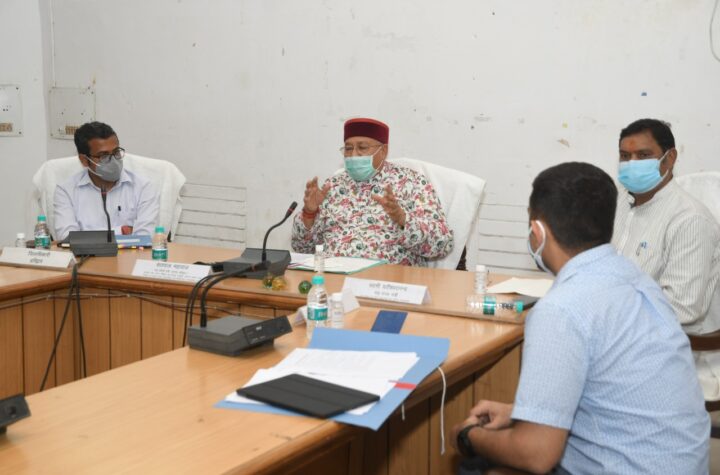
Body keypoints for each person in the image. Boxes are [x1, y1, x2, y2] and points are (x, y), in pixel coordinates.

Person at [451, 162, 708, 474]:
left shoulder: (560, 310)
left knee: (475, 463)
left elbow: (536, 454)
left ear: (537, 232)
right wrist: (519, 412)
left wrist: (466, 436)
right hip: (682, 463)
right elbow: (615, 390)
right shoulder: (637, 280)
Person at [612, 118, 720, 400]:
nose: (632, 164)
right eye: (625, 156)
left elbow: (682, 309)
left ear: (669, 158)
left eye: (643, 155)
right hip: (622, 334)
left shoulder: (690, 220)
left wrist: (610, 313)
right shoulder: (620, 204)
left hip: (671, 348)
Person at [291, 117, 453, 266]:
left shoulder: (412, 183)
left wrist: (403, 219)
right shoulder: (332, 186)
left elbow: (442, 244)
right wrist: (309, 214)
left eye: (362, 147)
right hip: (334, 278)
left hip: (388, 282)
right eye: (348, 148)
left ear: (383, 151)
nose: (353, 155)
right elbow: (302, 249)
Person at [54, 122, 160, 241]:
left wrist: (85, 236)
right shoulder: (66, 191)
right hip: (86, 255)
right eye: (103, 156)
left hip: (128, 254)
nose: (113, 160)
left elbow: (145, 237)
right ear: (84, 160)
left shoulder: (144, 188)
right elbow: (67, 238)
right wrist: (122, 231)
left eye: (116, 152)